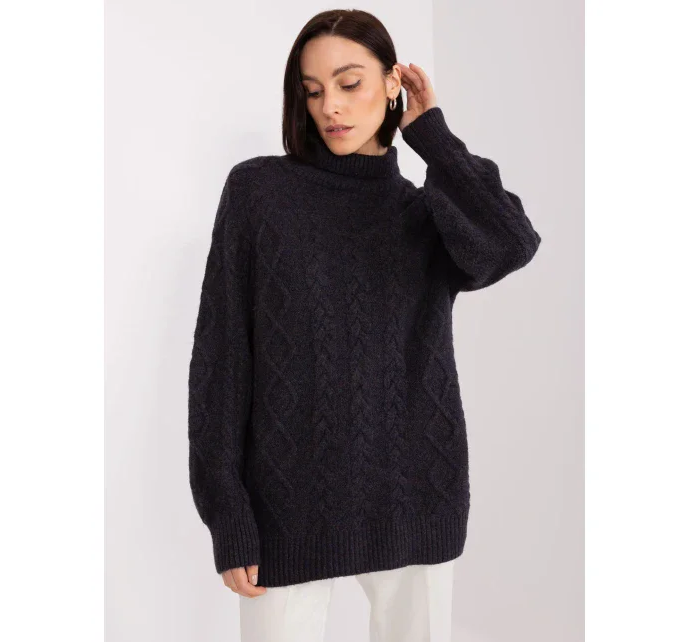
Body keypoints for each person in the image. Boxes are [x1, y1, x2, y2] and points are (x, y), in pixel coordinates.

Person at [187, 8, 541, 642]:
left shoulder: (425, 213)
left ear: (392, 83)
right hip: (288, 504)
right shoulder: (259, 193)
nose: (331, 106)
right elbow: (221, 361)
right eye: (313, 90)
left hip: (415, 494)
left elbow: (512, 242)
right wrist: (227, 514)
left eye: (350, 83)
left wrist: (432, 137)